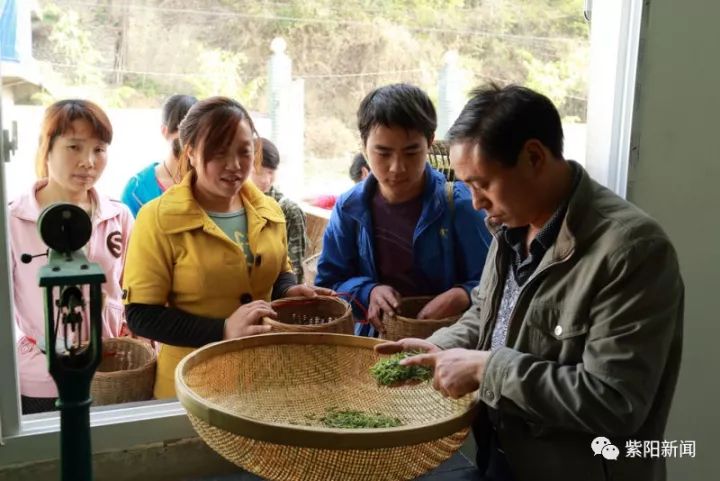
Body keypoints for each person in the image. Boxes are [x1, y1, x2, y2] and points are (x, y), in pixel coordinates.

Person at [379, 84, 684, 481]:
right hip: (502, 458)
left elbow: (615, 400)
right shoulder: (509, 227)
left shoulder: (631, 250)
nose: (475, 202)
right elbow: (487, 315)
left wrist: (487, 370)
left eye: (482, 183)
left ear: (534, 157)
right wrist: (437, 348)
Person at [122, 97, 328, 399]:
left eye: (244, 152)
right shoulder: (158, 218)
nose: (234, 166)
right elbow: (141, 314)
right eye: (219, 153)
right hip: (192, 387)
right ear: (190, 152)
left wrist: (288, 291)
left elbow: (280, 270)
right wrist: (222, 331)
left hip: (264, 381)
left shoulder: (268, 210)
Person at [315, 83, 492, 337]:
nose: (397, 167)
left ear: (430, 142)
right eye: (383, 153)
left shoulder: (462, 205)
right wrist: (369, 291)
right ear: (363, 146)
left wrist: (463, 294)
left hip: (450, 345)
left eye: (411, 152)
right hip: (376, 344)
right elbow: (328, 284)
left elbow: (495, 283)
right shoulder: (349, 209)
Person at [8, 99, 134, 414]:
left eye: (99, 149)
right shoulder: (11, 220)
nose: (88, 161)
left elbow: (135, 292)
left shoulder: (118, 216)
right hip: (38, 379)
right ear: (46, 149)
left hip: (108, 373)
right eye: (74, 147)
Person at [121, 94, 198, 216]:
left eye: (195, 135)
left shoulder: (210, 183)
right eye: (181, 134)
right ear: (164, 131)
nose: (188, 145)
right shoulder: (137, 190)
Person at [250, 138, 308, 282]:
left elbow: (296, 272)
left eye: (270, 172)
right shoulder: (232, 206)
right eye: (258, 172)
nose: (265, 180)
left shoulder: (289, 211)